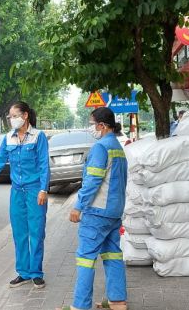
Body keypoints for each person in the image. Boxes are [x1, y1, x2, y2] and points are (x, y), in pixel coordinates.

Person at [0, 101, 50, 289]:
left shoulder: (38, 137)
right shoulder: (8, 138)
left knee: (36, 232)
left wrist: (43, 189)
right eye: (10, 116)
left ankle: (36, 273)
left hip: (34, 191)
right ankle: (23, 273)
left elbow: (44, 165)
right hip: (17, 192)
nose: (11, 119)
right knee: (19, 233)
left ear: (25, 116)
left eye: (14, 115)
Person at [59, 107, 128, 310]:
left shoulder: (100, 147)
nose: (91, 128)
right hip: (114, 212)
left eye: (92, 124)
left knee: (85, 259)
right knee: (113, 255)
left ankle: (80, 306)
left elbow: (92, 181)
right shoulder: (117, 147)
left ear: (102, 125)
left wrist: (78, 206)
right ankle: (117, 302)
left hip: (97, 212)